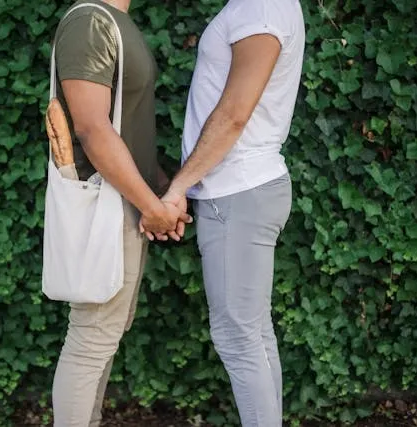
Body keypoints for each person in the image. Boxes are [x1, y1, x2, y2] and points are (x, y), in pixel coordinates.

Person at [141, 0, 306, 425]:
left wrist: (179, 186)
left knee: (238, 338)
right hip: (242, 189)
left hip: (238, 190)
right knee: (253, 334)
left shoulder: (261, 6)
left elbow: (235, 114)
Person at [49, 0, 191, 425]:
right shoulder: (90, 22)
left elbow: (124, 125)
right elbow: (92, 128)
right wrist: (153, 206)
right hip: (106, 206)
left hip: (126, 202)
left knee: (104, 336)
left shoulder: (113, 20)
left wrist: (163, 190)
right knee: (91, 337)